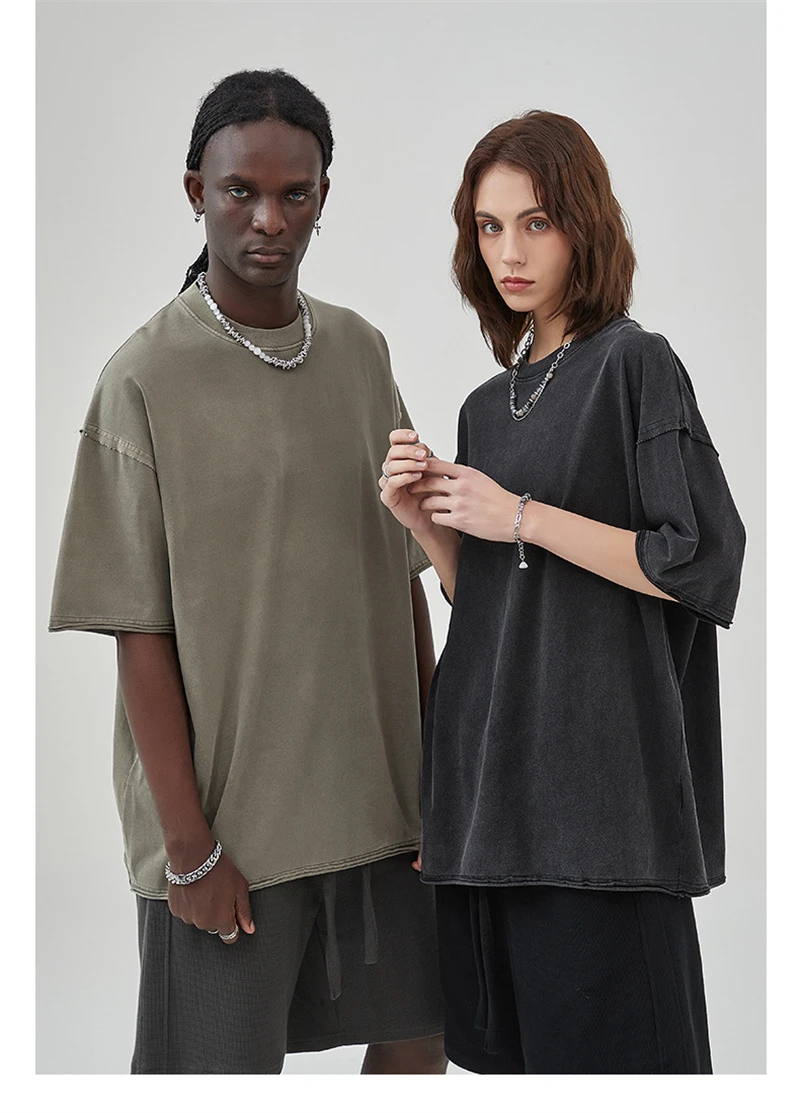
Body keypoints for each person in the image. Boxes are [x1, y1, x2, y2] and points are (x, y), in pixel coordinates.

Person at [49, 68, 446, 1075]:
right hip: (233, 833)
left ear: (322, 197)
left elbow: (401, 576)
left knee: (422, 1042)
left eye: (294, 194)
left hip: (383, 810)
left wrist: (441, 779)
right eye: (240, 191)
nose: (269, 219)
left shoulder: (360, 353)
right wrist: (188, 846)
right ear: (196, 191)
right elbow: (138, 630)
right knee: (213, 1074)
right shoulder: (142, 378)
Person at [380, 110, 746, 1074]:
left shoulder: (635, 363)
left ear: (584, 224)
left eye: (535, 222)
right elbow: (497, 610)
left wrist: (521, 514)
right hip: (491, 803)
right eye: (489, 226)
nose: (509, 252)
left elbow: (700, 560)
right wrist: (431, 526)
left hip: (603, 813)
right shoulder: (485, 406)